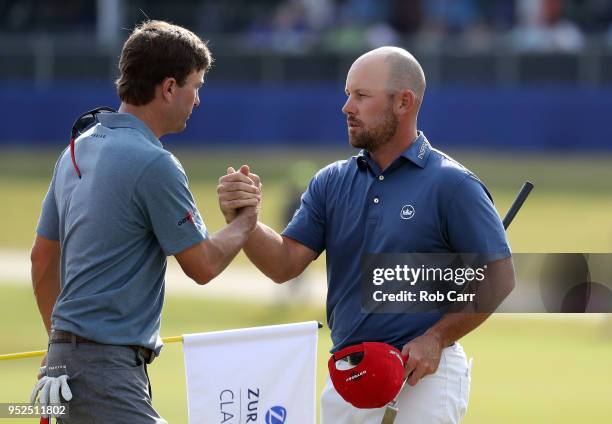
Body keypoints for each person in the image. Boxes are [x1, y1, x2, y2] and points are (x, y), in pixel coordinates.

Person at [217, 46, 516, 423]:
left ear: (403, 102)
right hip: (348, 377)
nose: (347, 107)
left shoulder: (452, 184)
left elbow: (500, 276)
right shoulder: (330, 182)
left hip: (420, 379)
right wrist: (246, 223)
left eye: (361, 96)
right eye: (347, 94)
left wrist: (435, 338)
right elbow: (284, 264)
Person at [30, 20, 260, 423]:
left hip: (66, 369)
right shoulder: (156, 163)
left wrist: (60, 347)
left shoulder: (75, 150)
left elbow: (42, 261)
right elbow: (202, 265)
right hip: (105, 374)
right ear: (169, 87)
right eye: (196, 86)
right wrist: (245, 221)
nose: (198, 100)